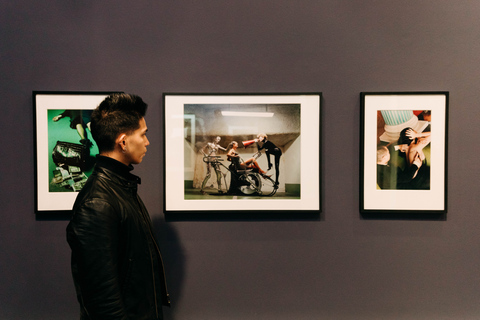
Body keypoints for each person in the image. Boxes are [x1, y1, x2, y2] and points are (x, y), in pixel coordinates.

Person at [66, 93, 170, 320]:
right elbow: (102, 300)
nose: (147, 142)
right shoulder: (98, 202)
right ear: (123, 141)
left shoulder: (121, 187)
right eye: (143, 135)